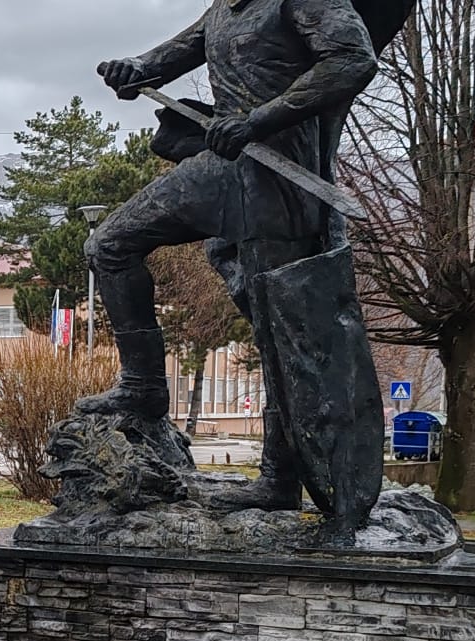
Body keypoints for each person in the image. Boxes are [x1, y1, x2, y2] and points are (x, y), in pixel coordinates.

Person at [89, 0, 388, 528]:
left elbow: (352, 60)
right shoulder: (224, 9)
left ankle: (280, 480)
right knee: (110, 243)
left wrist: (258, 119)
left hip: (281, 182)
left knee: (278, 332)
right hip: (227, 167)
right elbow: (173, 53)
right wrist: (134, 69)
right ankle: (144, 386)